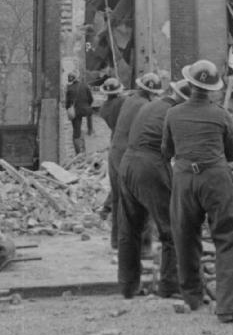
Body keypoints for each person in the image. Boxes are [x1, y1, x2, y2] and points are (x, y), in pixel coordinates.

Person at [162, 59, 233, 324]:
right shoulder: (221, 115)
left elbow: (166, 151)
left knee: (184, 234)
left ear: (189, 83)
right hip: (216, 178)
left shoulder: (173, 113)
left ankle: (192, 296)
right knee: (228, 236)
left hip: (183, 179)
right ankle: (228, 306)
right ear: (213, 88)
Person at [117, 79, 191, 299]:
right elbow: (177, 151)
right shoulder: (175, 114)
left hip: (127, 163)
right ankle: (170, 285)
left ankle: (128, 286)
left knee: (130, 229)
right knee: (172, 227)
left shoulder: (150, 105)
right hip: (150, 166)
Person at [108, 73, 163, 253]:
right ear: (152, 93)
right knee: (142, 199)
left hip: (115, 153)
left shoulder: (130, 99)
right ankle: (143, 248)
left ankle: (117, 241)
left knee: (118, 200)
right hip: (128, 156)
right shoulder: (146, 106)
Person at [98, 77, 126, 221]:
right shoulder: (122, 102)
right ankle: (110, 208)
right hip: (124, 144)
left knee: (116, 180)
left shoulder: (104, 108)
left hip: (114, 143)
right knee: (125, 180)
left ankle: (107, 208)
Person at [65, 72, 94, 154]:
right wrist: (87, 105)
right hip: (86, 110)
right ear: (77, 78)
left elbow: (67, 104)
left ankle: (78, 153)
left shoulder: (69, 88)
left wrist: (69, 109)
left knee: (76, 132)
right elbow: (91, 99)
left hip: (76, 112)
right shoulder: (85, 85)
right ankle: (90, 130)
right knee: (89, 113)